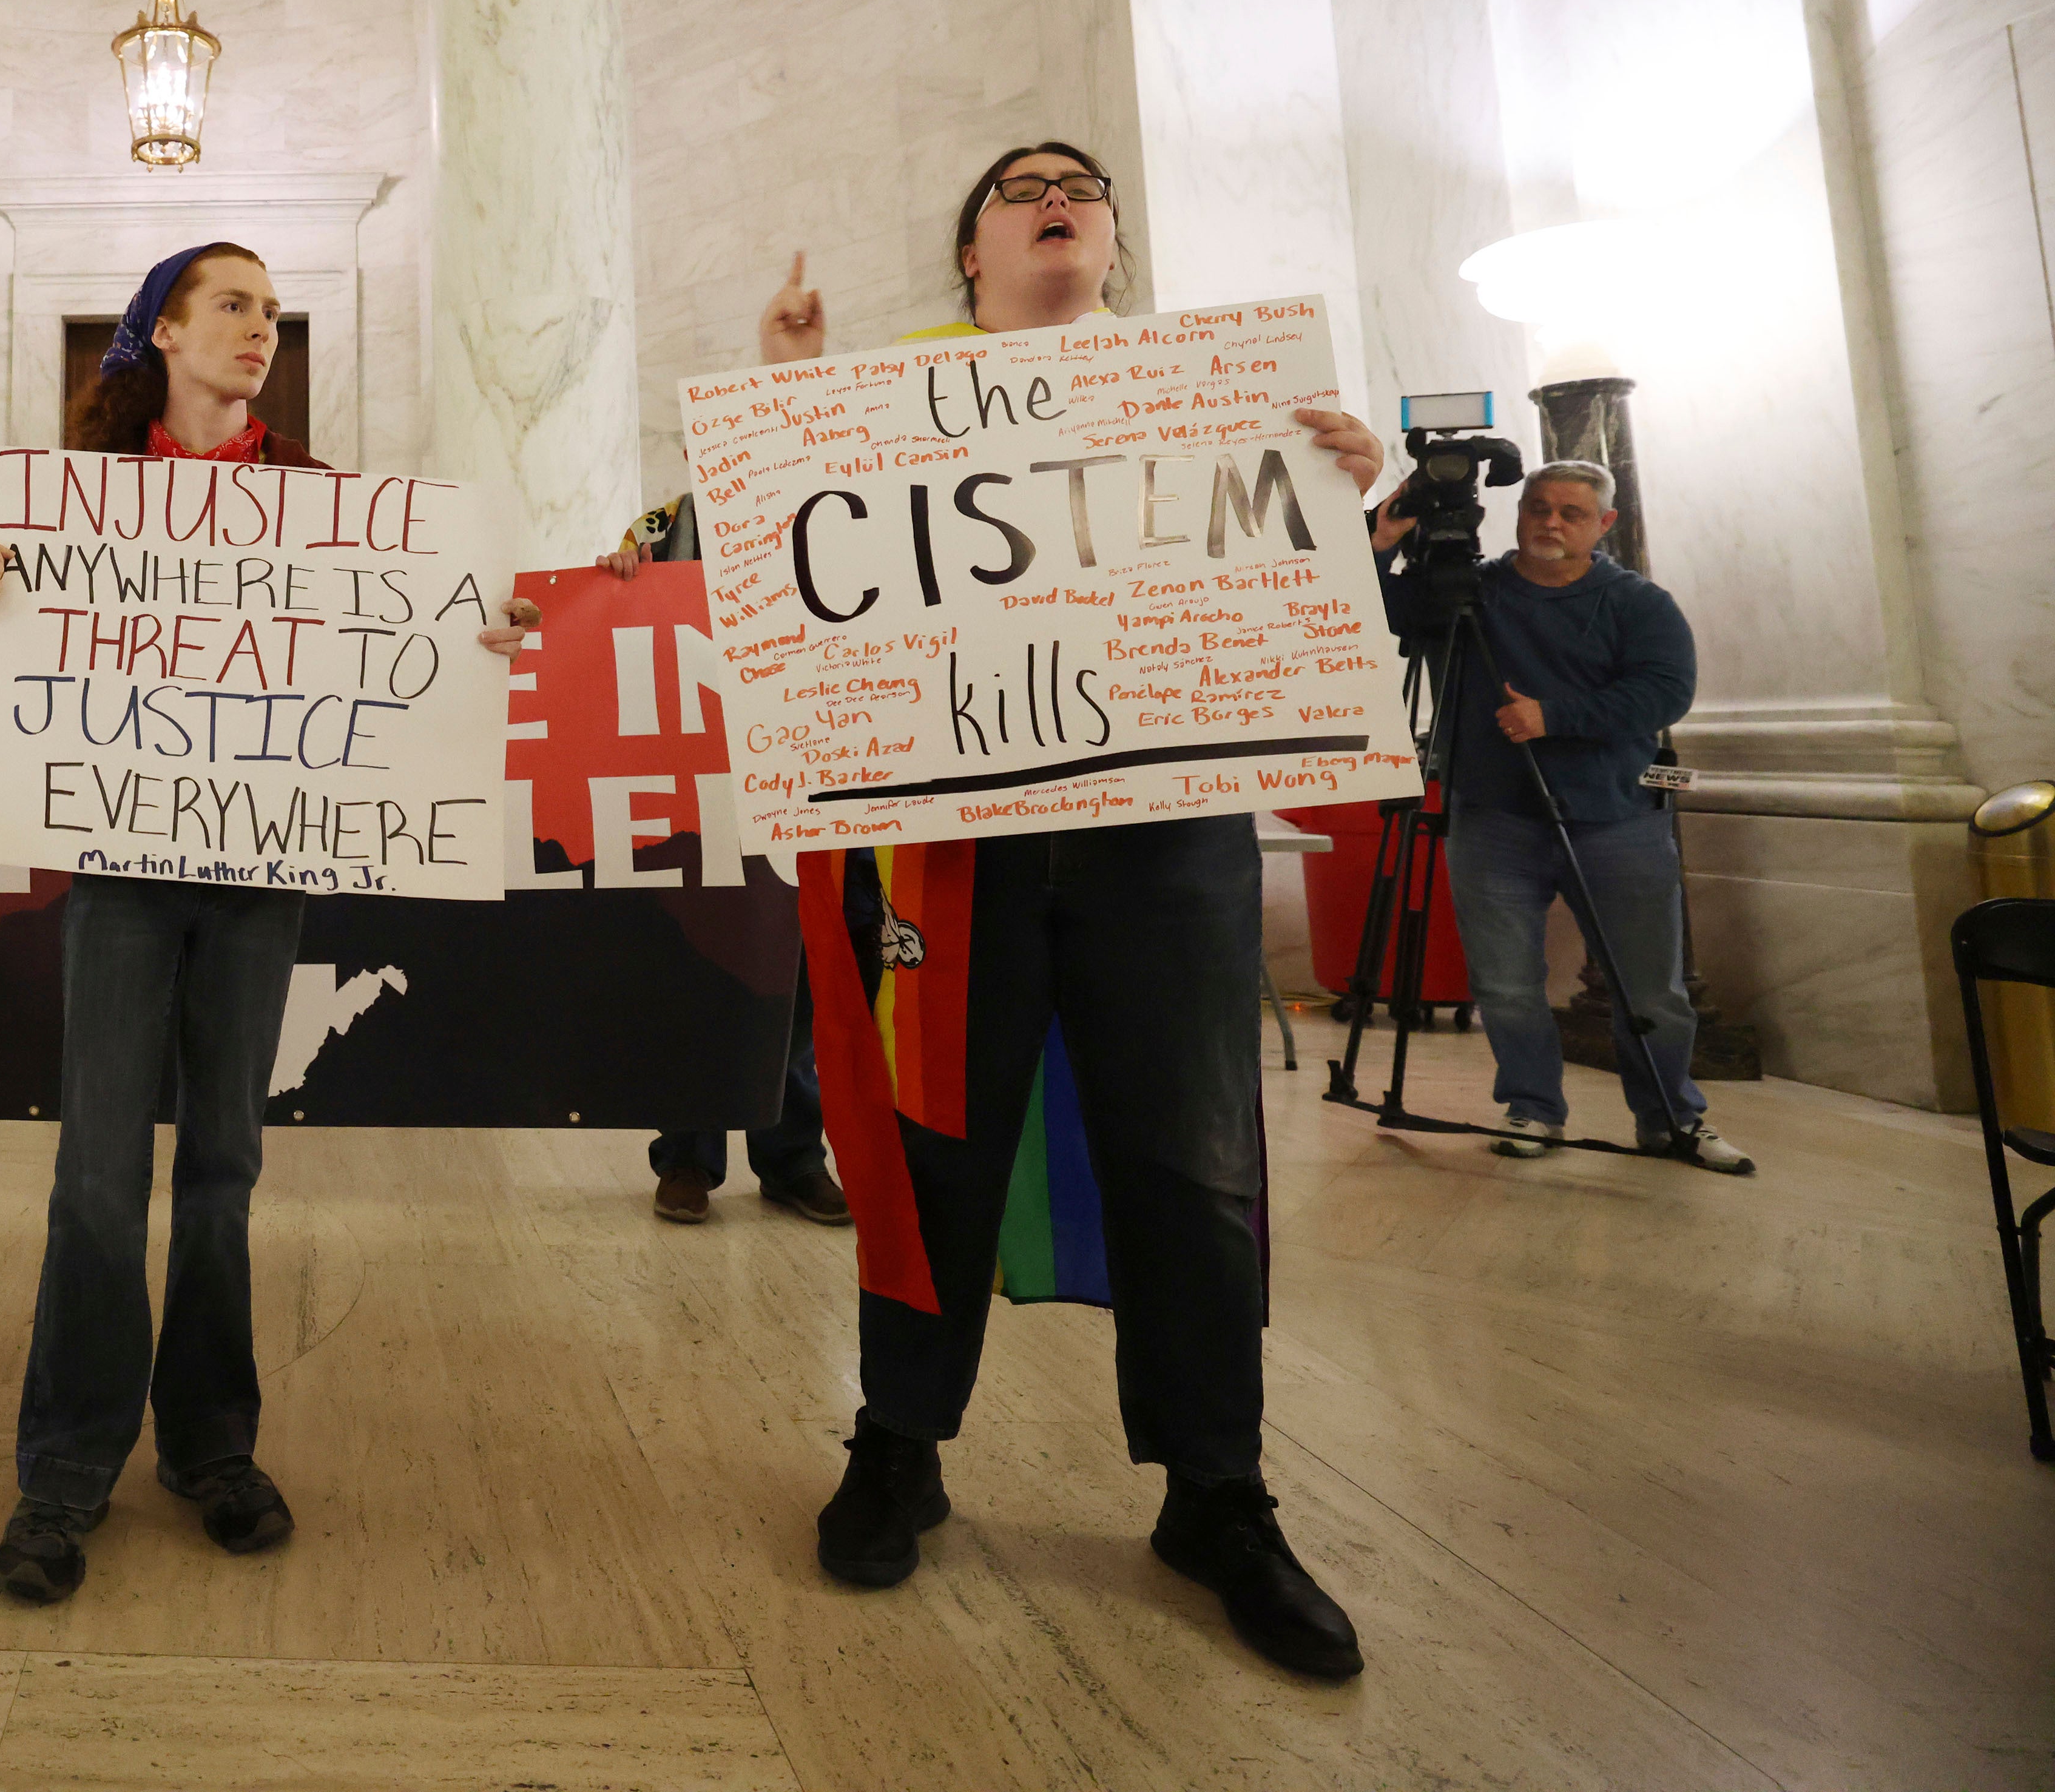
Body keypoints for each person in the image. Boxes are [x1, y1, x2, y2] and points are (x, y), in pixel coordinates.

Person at [803, 147, 1382, 1680]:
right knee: (935, 1151)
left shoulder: (1219, 402)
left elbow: (1289, 608)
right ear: (971, 249)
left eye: (1082, 184)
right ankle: (899, 1440)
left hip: (1166, 836)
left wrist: (1338, 493)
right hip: (958, 850)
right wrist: (790, 403)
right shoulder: (889, 396)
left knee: (1195, 1162)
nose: (1056, 195)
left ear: (1111, 242)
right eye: (1020, 186)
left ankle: (1218, 1492)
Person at [0, 241, 535, 1605]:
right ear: (162, 333)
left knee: (224, 1165)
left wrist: (479, 636)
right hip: (123, 872)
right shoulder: (82, 503)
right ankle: (66, 1470)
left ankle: (211, 1445)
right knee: (95, 1172)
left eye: (273, 309)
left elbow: (409, 667)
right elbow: (1, 702)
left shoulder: (324, 506)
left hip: (265, 871)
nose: (263, 328)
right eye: (234, 305)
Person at [1377, 464, 1749, 1173]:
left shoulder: (1638, 603)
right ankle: (1533, 1108)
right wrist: (1382, 543)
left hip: (1617, 819)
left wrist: (1555, 718)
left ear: (1603, 524)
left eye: (1572, 513)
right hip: (1494, 817)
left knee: (1651, 990)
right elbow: (1370, 611)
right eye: (1538, 509)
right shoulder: (1468, 594)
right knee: (1507, 985)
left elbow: (1665, 692)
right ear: (1517, 514)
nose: (1551, 523)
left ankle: (1672, 1118)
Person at [599, 254, 852, 1229]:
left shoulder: (827, 513)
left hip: (807, 781)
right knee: (698, 971)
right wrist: (617, 573)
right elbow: (612, 618)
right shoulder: (665, 524)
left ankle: (793, 1156)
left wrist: (792, 367)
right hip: (694, 790)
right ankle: (687, 1158)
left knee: (797, 981)